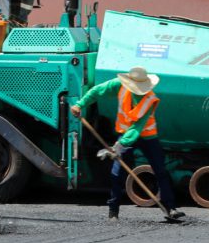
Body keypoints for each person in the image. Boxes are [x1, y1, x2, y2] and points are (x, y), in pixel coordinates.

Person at [71, 66, 184, 221]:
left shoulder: (150, 98)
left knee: (160, 170)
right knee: (117, 174)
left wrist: (119, 146)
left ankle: (170, 208)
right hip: (125, 134)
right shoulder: (119, 85)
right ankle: (113, 210)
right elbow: (97, 91)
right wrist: (80, 104)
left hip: (147, 137)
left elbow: (137, 127)